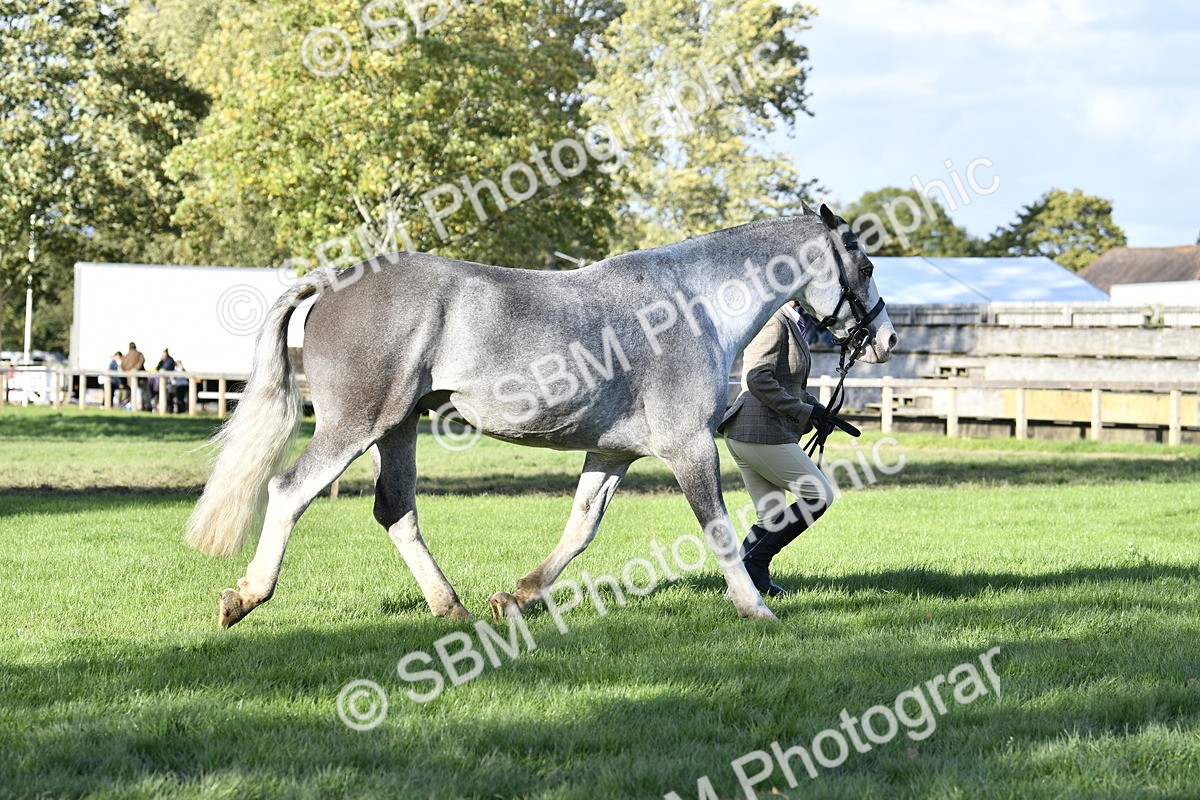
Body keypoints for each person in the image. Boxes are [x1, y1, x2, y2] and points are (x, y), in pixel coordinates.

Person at [718, 300, 836, 597]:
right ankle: (755, 564)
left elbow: (790, 385)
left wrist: (819, 411)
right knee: (818, 494)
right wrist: (802, 412)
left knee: (770, 516)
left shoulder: (794, 322)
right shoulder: (773, 321)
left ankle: (743, 585)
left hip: (753, 432)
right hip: (758, 430)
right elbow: (758, 378)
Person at [119, 342, 145, 408]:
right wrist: (135, 370)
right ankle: (138, 407)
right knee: (139, 392)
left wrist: (128, 372)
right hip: (140, 378)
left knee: (134, 392)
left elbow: (122, 366)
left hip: (129, 378)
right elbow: (142, 361)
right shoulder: (139, 354)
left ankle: (135, 406)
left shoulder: (126, 356)